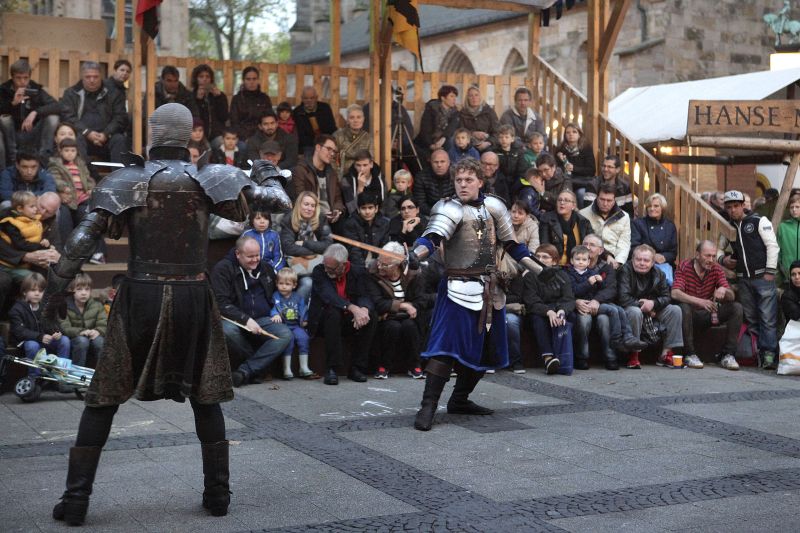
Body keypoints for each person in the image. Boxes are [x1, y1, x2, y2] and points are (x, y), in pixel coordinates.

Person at [43, 103, 292, 525]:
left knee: (104, 397)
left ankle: (76, 498)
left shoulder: (127, 179)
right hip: (193, 293)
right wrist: (266, 171)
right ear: (188, 135)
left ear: (154, 134)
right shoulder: (212, 177)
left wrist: (56, 288)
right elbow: (279, 201)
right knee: (205, 395)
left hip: (140, 294)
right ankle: (218, 494)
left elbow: (83, 238)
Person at [407, 157, 543, 431]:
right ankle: (428, 406)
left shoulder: (495, 206)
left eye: (468, 180)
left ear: (480, 181)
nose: (462, 184)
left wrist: (541, 270)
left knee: (486, 351)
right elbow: (431, 239)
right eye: (458, 180)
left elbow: (513, 245)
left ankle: (459, 399)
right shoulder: (448, 207)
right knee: (445, 349)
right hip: (457, 288)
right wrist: (415, 254)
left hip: (490, 291)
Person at [212, 235, 292, 386]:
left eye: (257, 255)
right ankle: (258, 368)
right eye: (250, 256)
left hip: (263, 318)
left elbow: (275, 294)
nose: (255, 260)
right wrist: (246, 320)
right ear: (238, 254)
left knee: (285, 334)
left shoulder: (265, 267)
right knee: (227, 331)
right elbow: (221, 303)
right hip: (234, 319)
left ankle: (245, 371)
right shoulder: (223, 269)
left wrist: (277, 310)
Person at [720, 190, 780, 370]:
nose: (732, 210)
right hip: (743, 279)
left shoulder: (759, 220)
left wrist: (770, 271)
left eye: (736, 206)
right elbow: (718, 249)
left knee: (767, 318)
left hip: (762, 276)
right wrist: (722, 259)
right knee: (752, 318)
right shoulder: (727, 227)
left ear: (743, 205)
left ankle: (769, 355)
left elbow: (772, 246)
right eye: (729, 207)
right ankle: (757, 353)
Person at [308, 243, 377, 385]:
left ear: (343, 265)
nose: (327, 270)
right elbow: (328, 295)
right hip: (324, 320)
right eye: (325, 266)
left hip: (348, 319)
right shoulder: (319, 271)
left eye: (331, 268)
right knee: (333, 313)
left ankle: (357, 367)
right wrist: (352, 308)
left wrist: (364, 309)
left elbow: (365, 294)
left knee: (371, 317)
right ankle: (332, 368)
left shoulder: (358, 272)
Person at [566, 244, 644, 369]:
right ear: (571, 260)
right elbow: (574, 291)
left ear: (588, 261)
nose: (580, 262)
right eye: (577, 259)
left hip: (595, 304)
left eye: (584, 260)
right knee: (612, 310)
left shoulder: (592, 272)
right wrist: (588, 283)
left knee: (618, 309)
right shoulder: (569, 273)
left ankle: (627, 336)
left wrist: (600, 281)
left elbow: (603, 289)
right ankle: (616, 339)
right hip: (583, 305)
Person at [671, 240, 743, 371]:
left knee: (736, 308)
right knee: (683, 308)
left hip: (708, 313)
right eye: (707, 256)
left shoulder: (716, 268)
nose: (711, 260)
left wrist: (724, 290)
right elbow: (675, 293)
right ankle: (689, 354)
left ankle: (728, 355)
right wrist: (700, 301)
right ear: (697, 255)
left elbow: (731, 296)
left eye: (714, 256)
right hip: (690, 315)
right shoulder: (685, 266)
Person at [365, 241, 425, 379]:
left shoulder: (413, 274)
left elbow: (420, 300)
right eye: (379, 261)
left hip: (407, 317)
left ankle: (415, 365)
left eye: (385, 264)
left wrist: (400, 308)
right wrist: (403, 306)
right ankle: (384, 366)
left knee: (410, 326)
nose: (379, 266)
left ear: (397, 264)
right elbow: (377, 302)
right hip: (385, 317)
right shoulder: (372, 273)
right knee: (392, 327)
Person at [617, 244, 684, 369]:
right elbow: (623, 298)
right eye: (638, 259)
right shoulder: (625, 270)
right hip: (629, 308)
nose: (642, 263)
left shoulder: (659, 273)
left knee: (675, 310)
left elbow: (667, 296)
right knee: (635, 311)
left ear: (653, 262)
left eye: (646, 260)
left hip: (653, 307)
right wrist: (645, 307)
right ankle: (633, 355)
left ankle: (666, 354)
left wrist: (653, 304)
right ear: (632, 259)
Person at [60, 61, 129, 164]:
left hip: (107, 138)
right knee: (75, 139)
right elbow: (68, 117)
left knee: (119, 139)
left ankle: (119, 174)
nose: (92, 80)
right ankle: (83, 173)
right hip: (82, 137)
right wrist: (87, 132)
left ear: (101, 76)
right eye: (88, 77)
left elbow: (120, 117)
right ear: (82, 77)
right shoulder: (71, 93)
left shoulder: (114, 93)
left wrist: (106, 134)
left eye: (95, 77)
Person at [0, 59, 61, 165]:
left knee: (53, 118)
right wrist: (13, 103)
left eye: (25, 78)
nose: (22, 81)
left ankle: (43, 161)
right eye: (18, 78)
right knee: (5, 119)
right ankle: (13, 162)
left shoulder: (35, 90)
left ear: (29, 77)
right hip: (11, 134)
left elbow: (57, 106)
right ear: (12, 77)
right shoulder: (4, 90)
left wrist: (35, 112)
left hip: (32, 132)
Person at [525, 244, 575, 374]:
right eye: (538, 256)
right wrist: (548, 312)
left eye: (545, 257)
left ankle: (568, 358)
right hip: (540, 310)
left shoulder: (562, 275)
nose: (540, 260)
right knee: (538, 319)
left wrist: (562, 311)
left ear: (554, 261)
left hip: (559, 308)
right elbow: (532, 300)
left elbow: (569, 298)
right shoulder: (530, 276)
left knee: (571, 317)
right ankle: (548, 358)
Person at [279, 191, 333, 301]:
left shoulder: (321, 218)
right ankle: (295, 308)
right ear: (299, 204)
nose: (309, 208)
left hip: (317, 264)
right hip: (296, 266)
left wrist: (305, 243)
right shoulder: (288, 219)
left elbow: (328, 245)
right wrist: (315, 252)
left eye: (313, 205)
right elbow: (289, 247)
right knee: (308, 283)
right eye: (306, 204)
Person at [10, 272, 70, 368]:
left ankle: (60, 371)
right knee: (33, 345)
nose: (37, 293)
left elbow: (54, 323)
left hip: (46, 341)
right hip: (27, 342)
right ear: (24, 292)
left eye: (41, 291)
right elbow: (19, 331)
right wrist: (39, 336)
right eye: (33, 290)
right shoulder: (17, 309)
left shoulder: (46, 306)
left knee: (64, 340)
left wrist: (57, 332)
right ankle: (35, 374)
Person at [270, 267, 316, 380]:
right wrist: (275, 314)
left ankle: (304, 367)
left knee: (304, 338)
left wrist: (305, 320)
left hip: (296, 325)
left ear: (294, 285)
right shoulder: (276, 296)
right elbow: (273, 307)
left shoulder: (297, 297)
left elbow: (303, 309)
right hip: (284, 326)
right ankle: (287, 369)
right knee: (288, 341)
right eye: (281, 283)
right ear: (276, 283)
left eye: (287, 284)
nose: (284, 286)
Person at [291, 134, 345, 224]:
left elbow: (338, 198)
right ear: (318, 147)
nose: (332, 154)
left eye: (334, 151)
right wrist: (319, 215)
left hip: (331, 218)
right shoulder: (301, 170)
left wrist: (337, 210)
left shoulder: (332, 173)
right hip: (310, 218)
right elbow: (300, 198)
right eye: (329, 149)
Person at [0, 190, 51, 279]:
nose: (36, 209)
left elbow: (37, 236)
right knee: (34, 279)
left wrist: (45, 241)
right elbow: (20, 244)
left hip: (25, 263)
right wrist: (41, 246)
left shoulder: (34, 220)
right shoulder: (10, 223)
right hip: (9, 264)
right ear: (20, 208)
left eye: (35, 206)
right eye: (32, 206)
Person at [59, 273, 106, 368]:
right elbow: (64, 327)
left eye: (87, 289)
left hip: (92, 337)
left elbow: (103, 323)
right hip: (73, 339)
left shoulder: (97, 305)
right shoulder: (64, 306)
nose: (84, 293)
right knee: (82, 341)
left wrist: (98, 331)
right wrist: (81, 332)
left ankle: (101, 372)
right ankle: (77, 373)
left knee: (100, 342)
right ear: (71, 291)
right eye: (79, 289)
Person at [579, 183, 631, 267]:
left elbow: (624, 243)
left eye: (609, 200)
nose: (605, 203)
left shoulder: (624, 217)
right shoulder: (583, 214)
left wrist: (618, 262)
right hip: (589, 258)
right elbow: (582, 242)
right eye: (602, 199)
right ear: (597, 198)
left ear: (614, 201)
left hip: (614, 259)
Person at [631, 193, 678, 280]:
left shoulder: (670, 226)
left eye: (656, 206)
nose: (652, 209)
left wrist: (664, 257)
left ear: (662, 208)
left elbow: (673, 252)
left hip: (664, 265)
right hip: (642, 263)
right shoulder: (638, 224)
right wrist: (652, 256)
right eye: (649, 206)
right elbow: (634, 247)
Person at [539, 190, 592, 265]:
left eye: (566, 200)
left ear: (573, 206)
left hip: (578, 264)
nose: (562, 202)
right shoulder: (547, 219)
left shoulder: (583, 222)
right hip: (555, 264)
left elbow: (591, 242)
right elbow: (545, 246)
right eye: (559, 200)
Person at [341, 192, 390, 267]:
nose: (367, 212)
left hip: (379, 263)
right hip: (358, 264)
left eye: (370, 208)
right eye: (363, 208)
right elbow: (354, 250)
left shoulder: (384, 223)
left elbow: (384, 247)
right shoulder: (350, 224)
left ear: (376, 208)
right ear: (358, 209)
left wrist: (379, 265)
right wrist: (363, 268)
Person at [47, 138, 95, 215]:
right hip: (68, 196)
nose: (70, 153)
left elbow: (88, 178)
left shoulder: (81, 165)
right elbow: (55, 178)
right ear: (60, 151)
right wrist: (63, 187)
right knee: (65, 214)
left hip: (83, 197)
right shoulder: (56, 165)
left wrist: (90, 188)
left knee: (86, 212)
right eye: (66, 150)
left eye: (73, 151)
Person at [414, 84, 460, 162]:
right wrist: (431, 145)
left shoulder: (455, 112)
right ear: (443, 98)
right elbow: (425, 129)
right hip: (428, 141)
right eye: (451, 96)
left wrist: (443, 138)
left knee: (451, 142)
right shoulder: (431, 109)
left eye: (455, 97)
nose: (454, 99)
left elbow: (451, 128)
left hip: (443, 141)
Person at [555, 122, 595, 206]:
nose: (571, 134)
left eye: (574, 132)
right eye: (568, 132)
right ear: (565, 135)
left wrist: (574, 168)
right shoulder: (560, 149)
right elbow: (555, 169)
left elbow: (591, 170)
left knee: (581, 193)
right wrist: (561, 162)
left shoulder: (586, 148)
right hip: (565, 181)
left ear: (579, 134)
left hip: (581, 182)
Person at [230, 67, 273, 142]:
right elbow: (234, 123)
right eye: (248, 79)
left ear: (258, 80)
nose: (251, 82)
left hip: (262, 136)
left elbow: (270, 119)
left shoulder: (265, 98)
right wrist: (245, 138)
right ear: (243, 81)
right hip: (242, 138)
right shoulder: (237, 99)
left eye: (254, 79)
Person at [293, 86, 337, 159]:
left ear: (316, 98)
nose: (309, 100)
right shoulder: (297, 112)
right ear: (302, 98)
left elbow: (332, 128)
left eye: (312, 98)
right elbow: (299, 135)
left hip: (326, 142)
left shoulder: (325, 108)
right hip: (308, 146)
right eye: (306, 98)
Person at [190, 64, 228, 145]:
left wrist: (219, 98)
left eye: (207, 77)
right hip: (198, 135)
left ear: (211, 79)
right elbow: (194, 118)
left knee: (223, 144)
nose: (205, 79)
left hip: (217, 135)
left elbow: (224, 117)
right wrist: (199, 100)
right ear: (196, 79)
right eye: (201, 76)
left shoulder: (219, 95)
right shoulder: (191, 96)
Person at [341, 149, 386, 218]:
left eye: (365, 165)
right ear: (354, 165)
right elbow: (352, 209)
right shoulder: (347, 180)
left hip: (377, 218)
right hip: (356, 219)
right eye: (358, 165)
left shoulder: (380, 178)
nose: (361, 169)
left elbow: (384, 205)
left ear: (371, 164)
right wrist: (360, 188)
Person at [333, 103, 372, 175]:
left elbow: (370, 160)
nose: (355, 120)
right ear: (347, 120)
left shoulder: (367, 138)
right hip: (342, 175)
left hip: (361, 174)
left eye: (358, 117)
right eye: (352, 117)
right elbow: (332, 158)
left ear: (363, 119)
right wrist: (337, 175)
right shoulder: (337, 136)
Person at [459, 85, 499, 153]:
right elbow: (460, 131)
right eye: (471, 96)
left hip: (487, 143)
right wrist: (473, 133)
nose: (474, 98)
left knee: (489, 154)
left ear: (480, 97)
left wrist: (488, 142)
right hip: (468, 143)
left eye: (476, 95)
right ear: (467, 98)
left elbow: (497, 131)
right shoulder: (462, 113)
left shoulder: (489, 111)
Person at [413, 149, 453, 215]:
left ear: (448, 163)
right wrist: (436, 213)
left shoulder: (456, 175)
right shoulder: (421, 177)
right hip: (429, 214)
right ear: (431, 163)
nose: (439, 165)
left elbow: (460, 198)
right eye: (436, 162)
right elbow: (420, 203)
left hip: (453, 212)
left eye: (442, 161)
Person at [777, 193, 800, 285]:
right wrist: (783, 271)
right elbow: (778, 251)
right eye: (791, 207)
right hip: (789, 275)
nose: (794, 210)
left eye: (797, 207)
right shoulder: (783, 227)